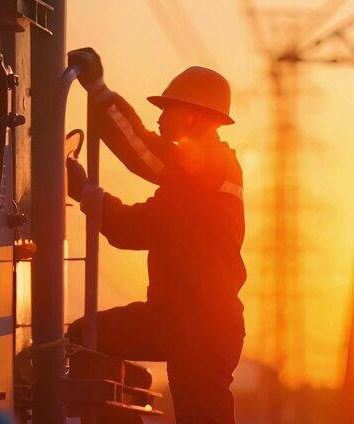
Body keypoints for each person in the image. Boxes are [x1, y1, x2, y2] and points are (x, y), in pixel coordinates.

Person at [65, 48, 246, 424]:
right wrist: (87, 195)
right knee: (86, 335)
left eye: (169, 109)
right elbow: (136, 227)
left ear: (194, 116)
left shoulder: (208, 166)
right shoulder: (196, 179)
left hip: (202, 326)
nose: (161, 118)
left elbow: (142, 153)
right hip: (179, 320)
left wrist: (99, 91)